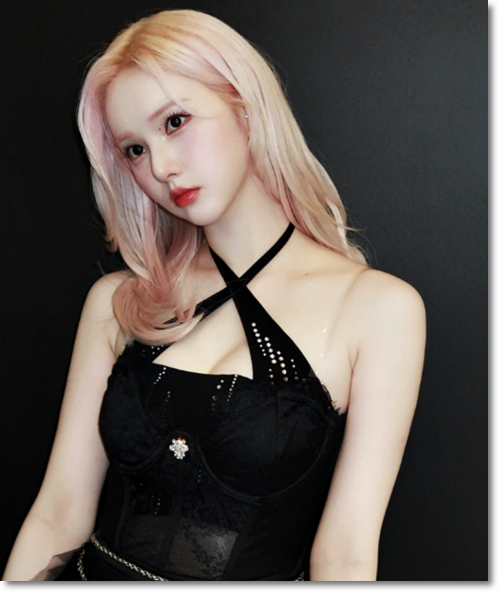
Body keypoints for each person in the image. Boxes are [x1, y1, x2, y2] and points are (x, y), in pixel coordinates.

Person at [2, 9, 426, 581]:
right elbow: (57, 515)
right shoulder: (119, 304)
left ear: (244, 107)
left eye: (175, 122)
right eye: (134, 149)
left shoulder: (378, 310)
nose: (161, 166)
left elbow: (346, 553)